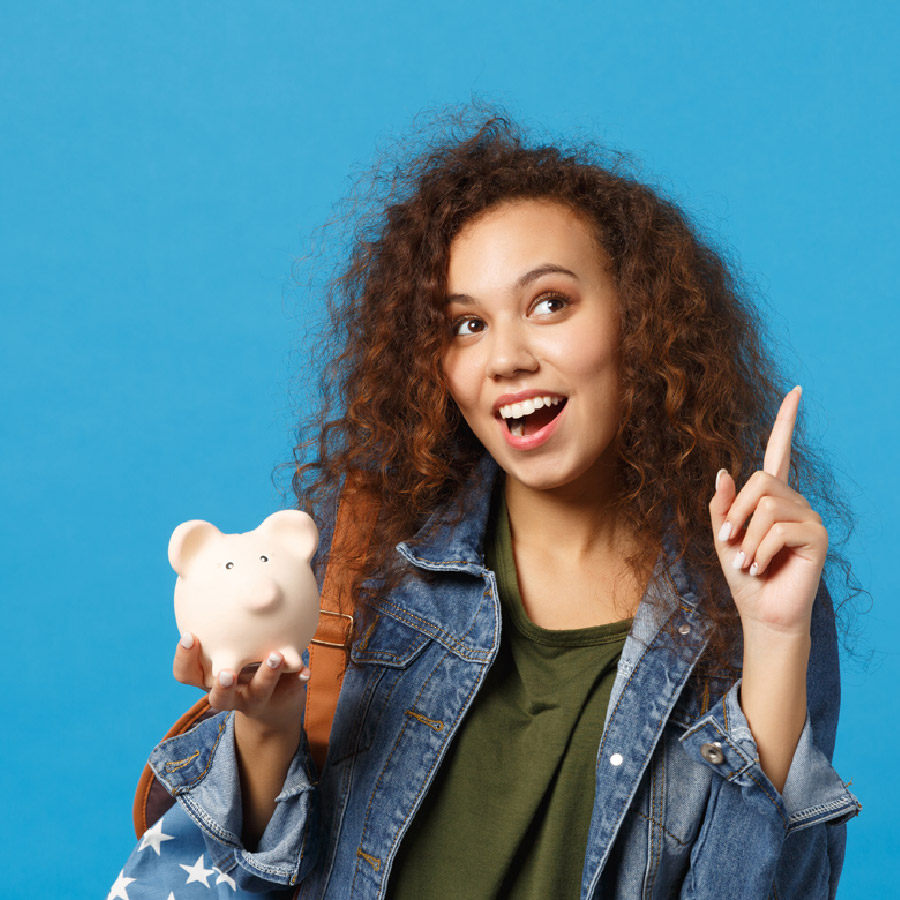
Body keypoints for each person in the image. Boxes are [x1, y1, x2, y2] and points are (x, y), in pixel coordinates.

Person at [112, 111, 861, 900]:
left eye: (549, 304)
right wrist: (266, 725)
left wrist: (775, 639)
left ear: (637, 320)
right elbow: (249, 870)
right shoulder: (370, 553)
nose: (505, 357)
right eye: (467, 325)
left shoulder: (747, 594)